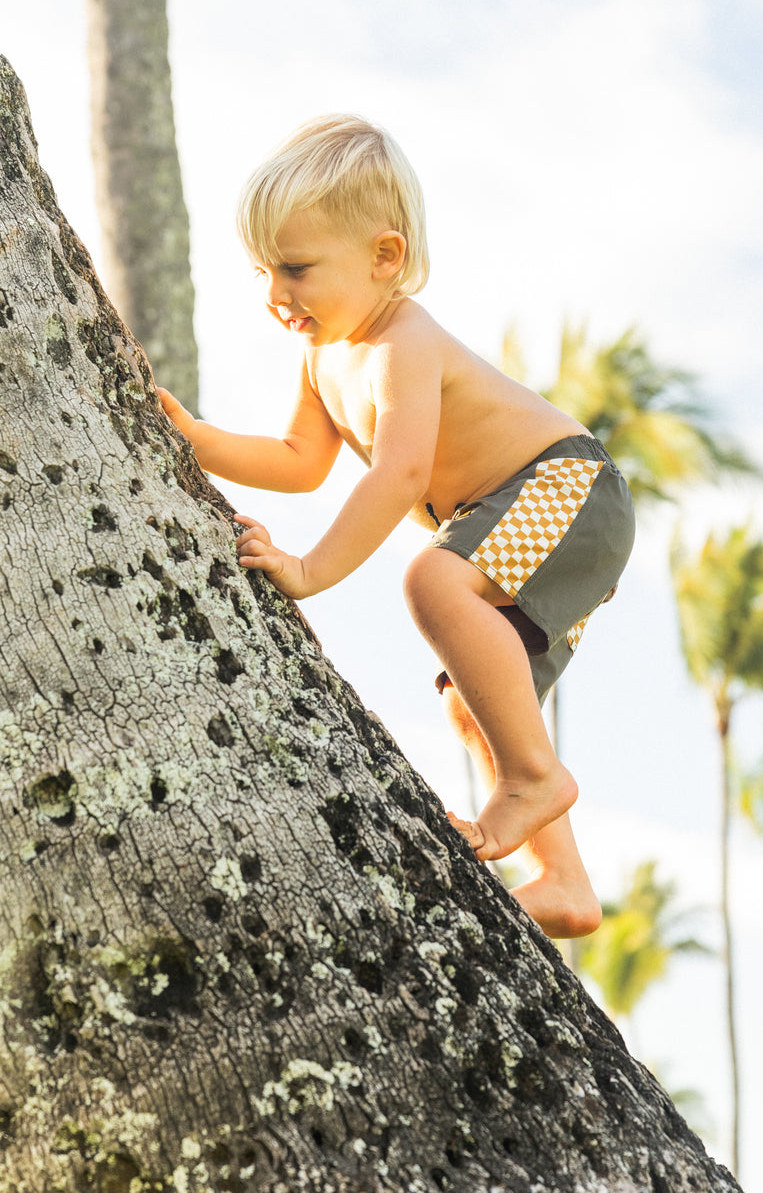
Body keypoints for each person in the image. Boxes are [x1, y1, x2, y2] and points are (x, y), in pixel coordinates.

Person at [158, 114, 635, 938]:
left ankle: (532, 779)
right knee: (472, 702)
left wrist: (308, 569)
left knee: (434, 578)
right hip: (521, 512)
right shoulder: (324, 358)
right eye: (267, 272)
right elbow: (300, 460)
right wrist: (193, 437)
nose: (278, 296)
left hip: (569, 488)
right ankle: (565, 882)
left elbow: (401, 472)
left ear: (384, 258)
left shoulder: (401, 341)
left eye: (298, 269)